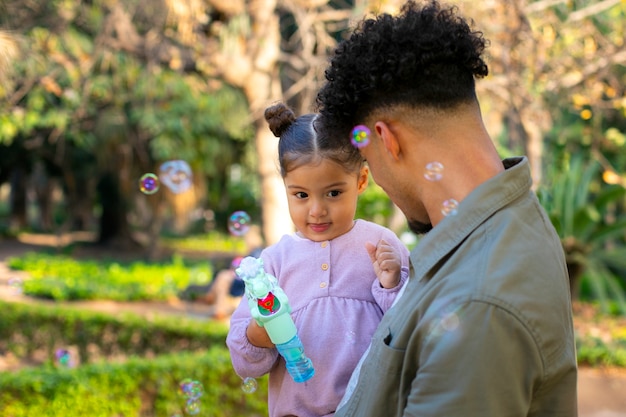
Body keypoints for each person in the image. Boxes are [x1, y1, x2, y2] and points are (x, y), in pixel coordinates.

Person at [315, 1, 578, 416]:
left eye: (369, 161)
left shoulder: (477, 304)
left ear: (386, 139)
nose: (378, 182)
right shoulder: (498, 225)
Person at [226, 102, 410, 417]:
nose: (316, 210)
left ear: (361, 181)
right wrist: (260, 332)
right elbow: (245, 364)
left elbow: (410, 330)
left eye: (333, 193)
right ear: (285, 188)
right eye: (301, 195)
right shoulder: (273, 263)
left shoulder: (381, 245)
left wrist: (393, 284)